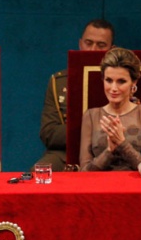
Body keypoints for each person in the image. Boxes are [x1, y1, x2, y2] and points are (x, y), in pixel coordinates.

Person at [35, 19, 115, 171]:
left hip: (113, 152)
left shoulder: (121, 83)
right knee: (37, 175)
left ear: (112, 49)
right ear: (80, 44)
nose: (92, 50)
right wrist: (93, 131)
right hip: (66, 153)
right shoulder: (59, 82)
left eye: (101, 45)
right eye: (88, 43)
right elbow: (49, 134)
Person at [79, 48, 141, 171]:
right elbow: (84, 171)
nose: (113, 88)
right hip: (99, 186)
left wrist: (122, 143)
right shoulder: (91, 115)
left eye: (121, 81)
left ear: (134, 82)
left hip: (136, 186)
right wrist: (109, 151)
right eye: (109, 80)